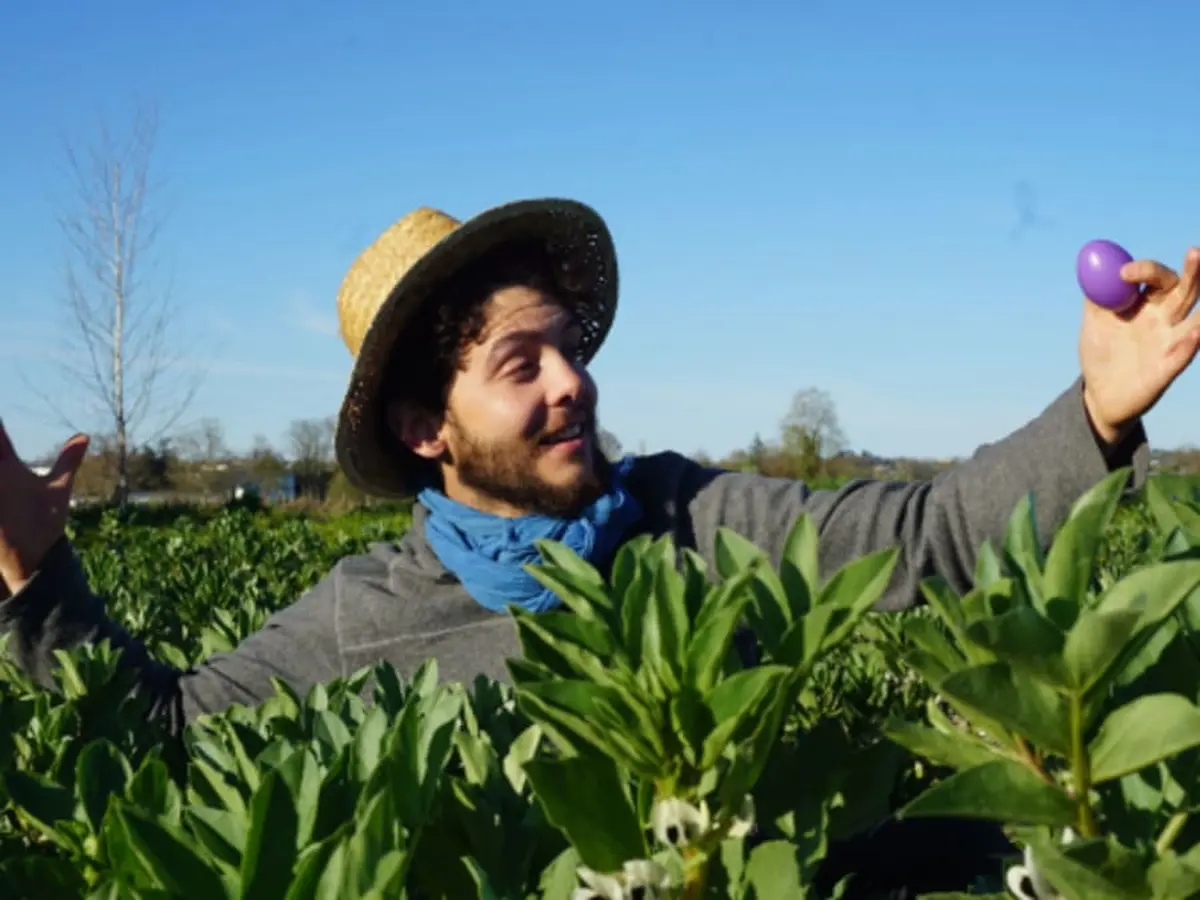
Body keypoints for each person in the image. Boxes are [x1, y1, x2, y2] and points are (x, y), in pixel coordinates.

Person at [0, 198, 1196, 736]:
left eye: (567, 350)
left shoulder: (693, 516)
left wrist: (1097, 409)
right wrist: (37, 574)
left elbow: (933, 535)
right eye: (521, 364)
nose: (571, 382)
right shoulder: (364, 619)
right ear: (428, 428)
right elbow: (158, 730)